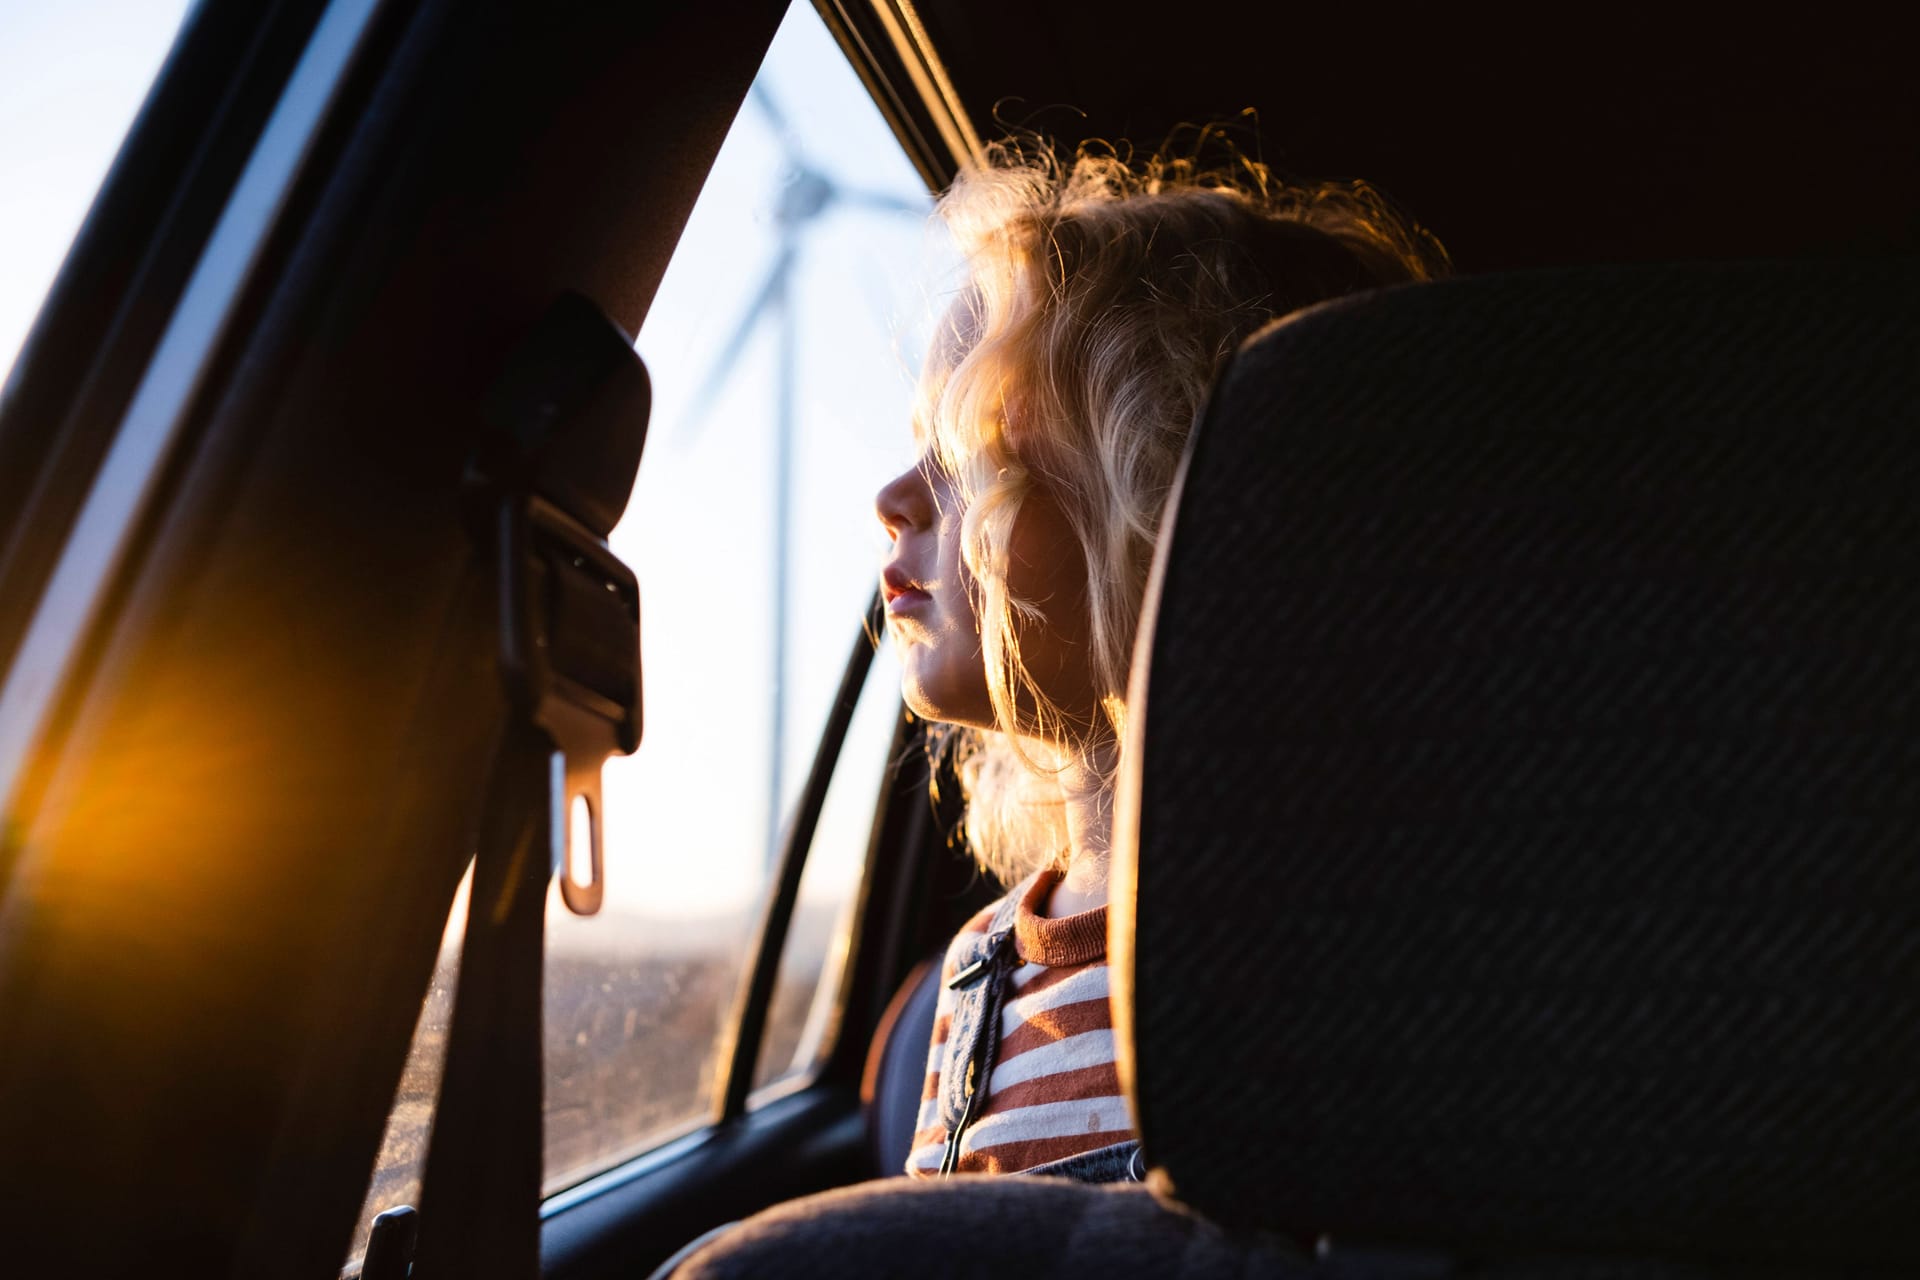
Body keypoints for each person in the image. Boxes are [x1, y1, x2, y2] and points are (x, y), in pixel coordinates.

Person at [873, 135, 1448, 1182]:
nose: (894, 497)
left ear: (1162, 496)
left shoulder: (1365, 948)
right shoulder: (978, 978)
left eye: (966, 454)